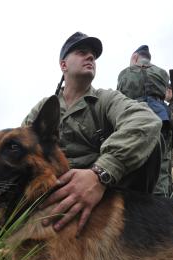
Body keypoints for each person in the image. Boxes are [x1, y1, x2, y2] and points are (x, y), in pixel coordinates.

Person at [22, 32, 162, 234]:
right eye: (81, 52)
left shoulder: (106, 99)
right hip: (51, 193)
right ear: (63, 65)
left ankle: (134, 227)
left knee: (152, 142)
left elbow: (146, 120)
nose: (90, 58)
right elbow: (19, 147)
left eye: (93, 56)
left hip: (104, 192)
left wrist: (100, 174)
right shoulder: (43, 108)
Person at [117, 45, 171, 197]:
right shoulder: (162, 73)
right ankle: (160, 200)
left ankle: (132, 199)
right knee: (162, 162)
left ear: (135, 57)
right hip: (160, 116)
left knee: (131, 156)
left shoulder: (124, 73)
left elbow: (119, 98)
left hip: (134, 118)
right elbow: (166, 96)